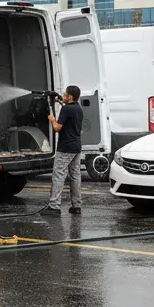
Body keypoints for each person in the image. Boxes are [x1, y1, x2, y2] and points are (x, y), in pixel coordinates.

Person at [43, 85, 84, 215]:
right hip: (76, 147)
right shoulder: (78, 108)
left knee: (58, 175)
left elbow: (57, 128)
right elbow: (68, 113)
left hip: (65, 148)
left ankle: (54, 206)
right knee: (75, 176)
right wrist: (59, 100)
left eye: (65, 94)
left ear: (70, 96)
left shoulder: (66, 109)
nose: (63, 95)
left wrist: (52, 119)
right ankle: (76, 206)